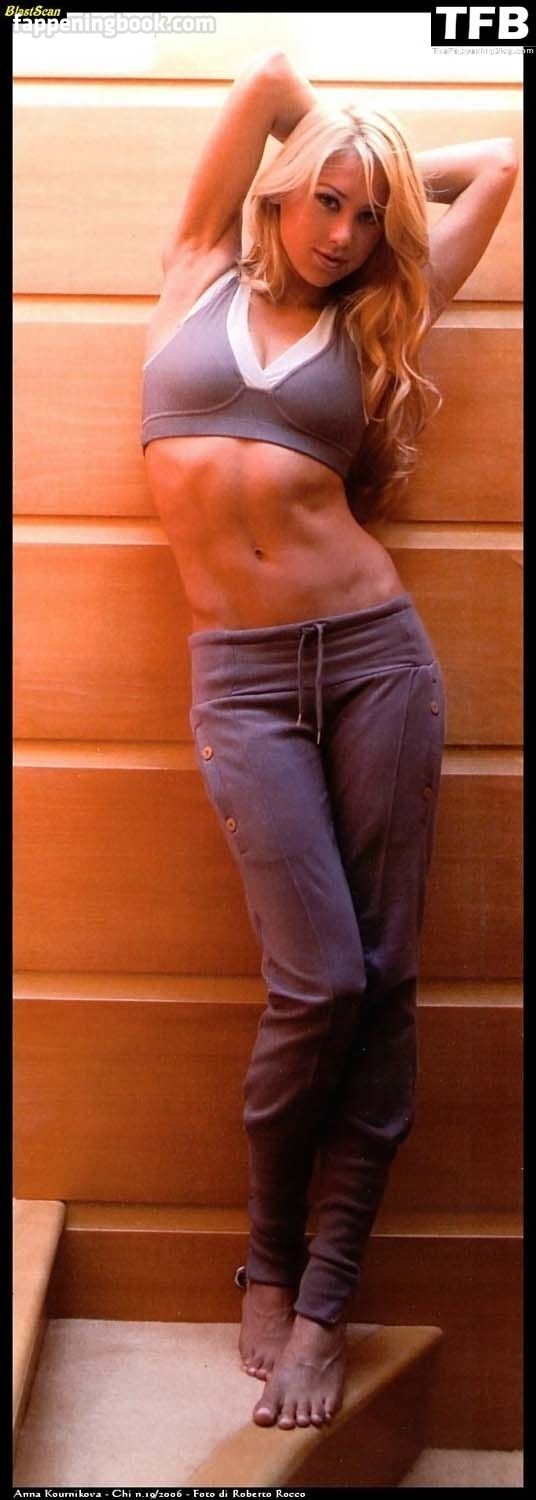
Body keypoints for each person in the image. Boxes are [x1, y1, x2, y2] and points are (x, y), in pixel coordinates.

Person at [140, 49, 518, 1431]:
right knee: (319, 981)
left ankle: (323, 1300)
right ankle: (267, 1256)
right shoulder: (195, 267)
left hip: (374, 664)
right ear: (284, 189)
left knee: (383, 980)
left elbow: (499, 169)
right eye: (328, 202)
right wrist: (337, 135)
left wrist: (380, 168)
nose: (346, 233)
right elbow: (267, 78)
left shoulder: (379, 320)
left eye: (368, 216)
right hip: (241, 684)